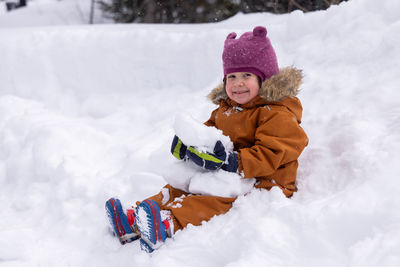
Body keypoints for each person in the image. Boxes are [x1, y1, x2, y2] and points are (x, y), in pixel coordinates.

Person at [105, 26, 308, 253]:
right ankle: (136, 218)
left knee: (213, 196)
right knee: (181, 185)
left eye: (246, 76)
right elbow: (208, 132)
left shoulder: (277, 112)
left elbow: (272, 153)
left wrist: (232, 162)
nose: (237, 83)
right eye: (231, 77)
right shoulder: (227, 109)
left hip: (262, 181)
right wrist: (189, 147)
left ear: (265, 78)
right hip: (229, 171)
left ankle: (167, 222)